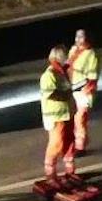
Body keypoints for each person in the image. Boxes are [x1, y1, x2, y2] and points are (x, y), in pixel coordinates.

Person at [39, 45, 77, 181]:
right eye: (66, 56)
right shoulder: (49, 75)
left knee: (69, 141)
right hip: (56, 116)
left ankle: (70, 172)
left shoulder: (63, 72)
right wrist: (65, 96)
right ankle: (50, 173)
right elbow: (50, 94)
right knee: (57, 143)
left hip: (68, 113)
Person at [67, 29, 100, 153]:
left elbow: (93, 76)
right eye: (78, 37)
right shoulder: (73, 50)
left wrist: (88, 90)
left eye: (82, 37)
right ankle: (75, 142)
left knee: (80, 118)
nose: (80, 39)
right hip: (72, 89)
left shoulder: (91, 54)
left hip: (83, 91)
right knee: (73, 119)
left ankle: (80, 146)